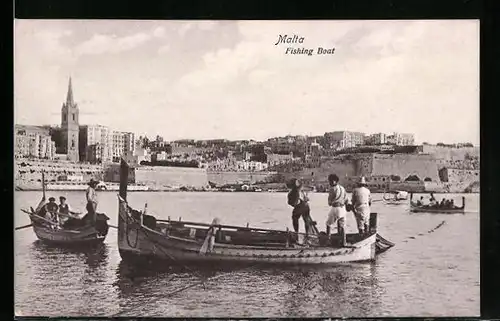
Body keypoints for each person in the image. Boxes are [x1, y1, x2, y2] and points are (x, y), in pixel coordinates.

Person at [325, 174, 348, 246]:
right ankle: (343, 242)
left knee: (328, 224)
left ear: (333, 181)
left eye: (330, 181)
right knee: (342, 225)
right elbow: (346, 200)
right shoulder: (342, 188)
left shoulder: (332, 189)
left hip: (335, 208)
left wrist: (330, 202)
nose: (329, 183)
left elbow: (329, 202)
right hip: (343, 209)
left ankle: (328, 241)